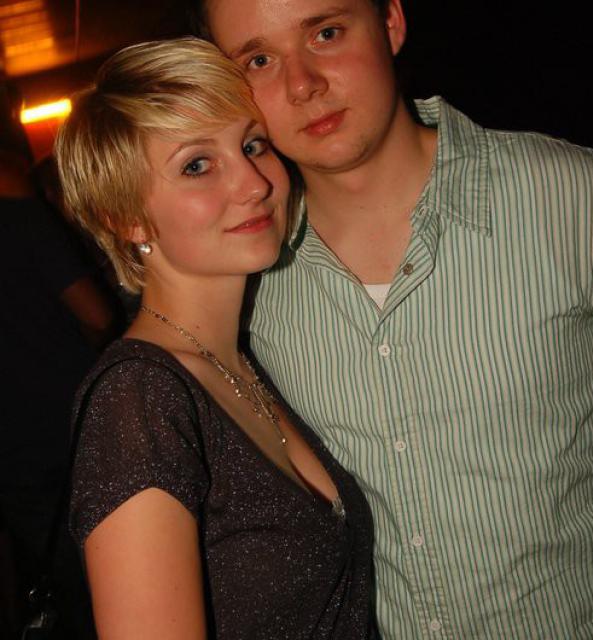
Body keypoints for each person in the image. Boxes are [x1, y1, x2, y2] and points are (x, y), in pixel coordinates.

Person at [190, 0, 593, 637]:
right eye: (259, 60)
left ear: (392, 23)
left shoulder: (574, 199)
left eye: (326, 32)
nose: (302, 84)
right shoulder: (242, 278)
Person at [55, 37, 377, 640]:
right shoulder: (138, 399)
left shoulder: (247, 361)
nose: (254, 183)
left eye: (252, 145)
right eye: (197, 165)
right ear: (126, 218)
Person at [0, 148, 119, 640]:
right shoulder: (20, 217)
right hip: (78, 420)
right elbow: (97, 315)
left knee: (73, 593)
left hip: (15, 450)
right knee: (124, 572)